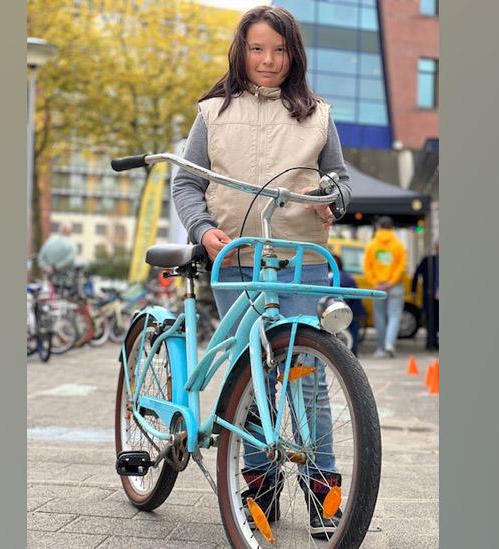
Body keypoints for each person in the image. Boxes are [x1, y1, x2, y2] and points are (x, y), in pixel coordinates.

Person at [171, 6, 350, 539]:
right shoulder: (211, 112)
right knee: (253, 376)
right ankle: (258, 484)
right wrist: (203, 231)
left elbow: (339, 183)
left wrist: (329, 199)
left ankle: (324, 492)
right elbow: (186, 185)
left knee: (310, 376)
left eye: (278, 49)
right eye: (257, 49)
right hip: (237, 258)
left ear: (293, 53)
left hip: (302, 261)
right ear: (241, 51)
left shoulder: (317, 113)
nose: (268, 60)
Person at [363, 216, 406, 358]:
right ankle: (389, 344)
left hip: (378, 286)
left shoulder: (372, 245)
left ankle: (381, 349)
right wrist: (392, 281)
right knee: (394, 316)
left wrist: (375, 282)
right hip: (395, 286)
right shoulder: (398, 245)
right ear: (391, 228)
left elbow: (367, 267)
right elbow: (402, 266)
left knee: (380, 317)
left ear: (379, 227)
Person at [331, 254, 366, 356]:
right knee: (354, 331)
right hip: (354, 309)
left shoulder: (331, 277)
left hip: (338, 308)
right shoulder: (349, 277)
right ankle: (354, 352)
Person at [412, 240, 439, 351]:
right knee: (430, 319)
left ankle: (435, 341)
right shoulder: (428, 261)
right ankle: (431, 342)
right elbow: (416, 274)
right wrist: (413, 290)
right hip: (429, 295)